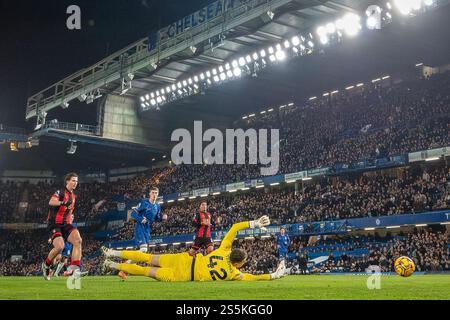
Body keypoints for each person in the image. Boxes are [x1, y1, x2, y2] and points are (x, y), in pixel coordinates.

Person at [102, 216, 287, 282]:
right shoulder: (234, 274)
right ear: (238, 263)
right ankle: (111, 264)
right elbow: (255, 277)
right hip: (182, 277)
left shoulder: (223, 250)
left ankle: (112, 253)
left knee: (148, 257)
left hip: (184, 259)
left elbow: (234, 228)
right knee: (143, 271)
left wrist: (253, 223)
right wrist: (273, 275)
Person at [42, 173, 83, 280]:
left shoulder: (73, 196)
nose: (75, 183)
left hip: (66, 224)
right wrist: (63, 203)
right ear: (67, 181)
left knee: (78, 240)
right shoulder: (60, 192)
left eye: (76, 181)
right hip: (54, 224)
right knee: (60, 247)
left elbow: (69, 212)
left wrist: (69, 222)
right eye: (73, 180)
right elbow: (51, 202)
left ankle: (75, 270)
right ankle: (46, 265)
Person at [130, 186, 167, 253]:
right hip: (140, 227)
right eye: (152, 193)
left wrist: (162, 218)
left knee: (144, 251)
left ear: (158, 194)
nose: (154, 194)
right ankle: (118, 254)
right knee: (144, 249)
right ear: (149, 194)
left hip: (147, 229)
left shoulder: (157, 206)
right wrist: (140, 219)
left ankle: (127, 262)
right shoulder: (144, 202)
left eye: (156, 193)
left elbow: (156, 218)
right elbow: (133, 214)